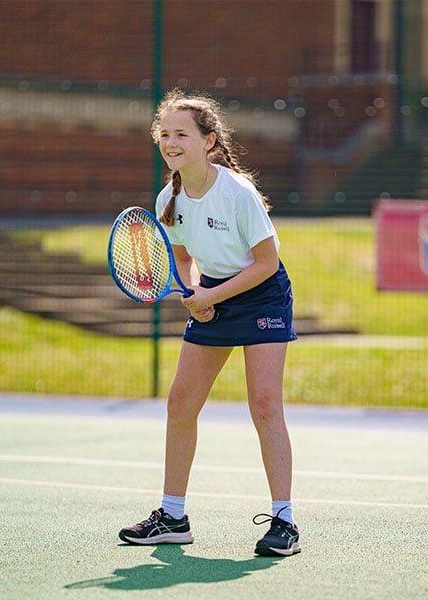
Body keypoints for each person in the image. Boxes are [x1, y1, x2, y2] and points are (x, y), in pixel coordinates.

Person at [118, 89, 300, 557]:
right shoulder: (169, 198)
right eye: (164, 134)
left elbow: (265, 263)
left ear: (209, 141)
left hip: (261, 294)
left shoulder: (238, 193)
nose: (170, 141)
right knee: (180, 403)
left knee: (263, 404)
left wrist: (211, 296)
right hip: (215, 293)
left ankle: (284, 522)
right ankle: (172, 516)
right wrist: (192, 294)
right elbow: (180, 258)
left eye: (182, 133)